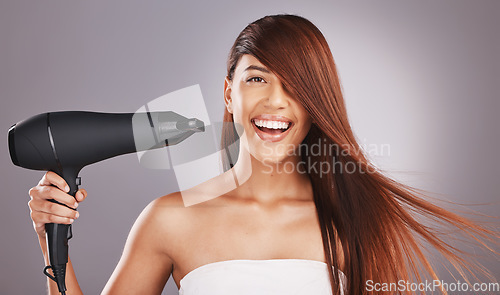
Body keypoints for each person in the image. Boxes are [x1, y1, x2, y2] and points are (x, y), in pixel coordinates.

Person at [28, 14, 496, 295]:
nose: (275, 101)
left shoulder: (356, 219)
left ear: (318, 103)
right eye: (257, 78)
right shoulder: (169, 220)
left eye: (296, 85)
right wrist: (52, 239)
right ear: (229, 94)